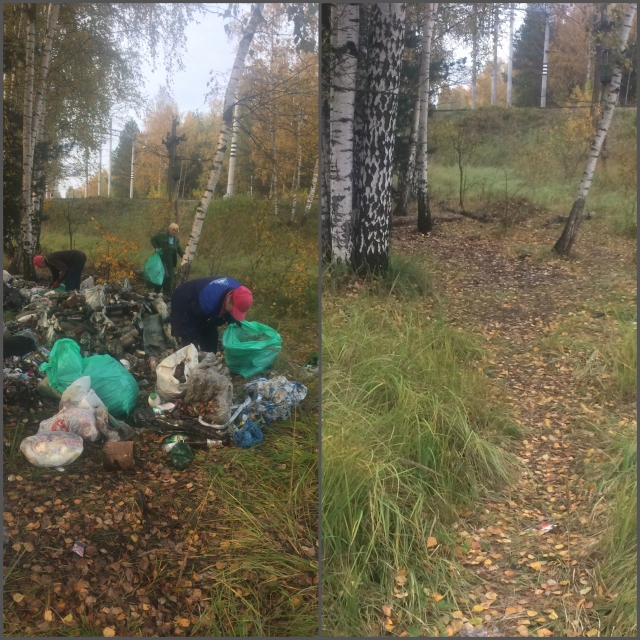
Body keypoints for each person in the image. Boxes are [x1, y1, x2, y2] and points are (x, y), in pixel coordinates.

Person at [170, 277, 253, 352]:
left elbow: (233, 317)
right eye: (233, 311)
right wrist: (192, 351)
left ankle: (209, 357)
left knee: (210, 342)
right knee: (186, 339)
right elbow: (189, 323)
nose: (233, 313)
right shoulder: (207, 302)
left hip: (208, 306)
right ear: (228, 299)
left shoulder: (241, 292)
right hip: (183, 299)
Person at [150, 223, 184, 296]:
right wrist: (156, 248)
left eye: (175, 231)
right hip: (162, 258)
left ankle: (166, 294)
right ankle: (157, 291)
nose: (174, 232)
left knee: (170, 277)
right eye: (173, 230)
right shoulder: (162, 235)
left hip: (171, 260)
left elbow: (179, 249)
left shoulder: (176, 240)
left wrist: (184, 256)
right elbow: (153, 239)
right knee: (164, 275)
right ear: (169, 229)